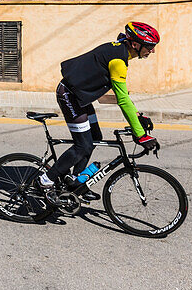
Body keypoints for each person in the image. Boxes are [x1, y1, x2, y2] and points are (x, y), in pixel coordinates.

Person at [37, 22, 160, 196]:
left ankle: (76, 181)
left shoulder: (122, 51)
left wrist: (137, 116)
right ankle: (46, 180)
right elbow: (122, 99)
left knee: (95, 138)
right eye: (150, 46)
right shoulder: (119, 60)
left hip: (81, 95)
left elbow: (117, 93)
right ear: (135, 44)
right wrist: (140, 134)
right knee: (83, 145)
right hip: (69, 95)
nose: (152, 50)